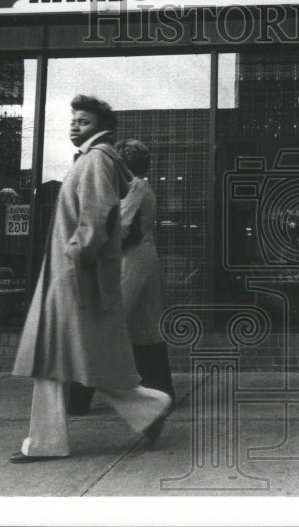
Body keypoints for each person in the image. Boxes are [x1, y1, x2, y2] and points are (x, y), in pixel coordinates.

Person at [10, 95, 170, 463]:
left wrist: (74, 254)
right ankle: (147, 409)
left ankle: (50, 441)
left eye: (83, 121)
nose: (74, 125)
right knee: (69, 356)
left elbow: (97, 217)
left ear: (102, 127)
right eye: (73, 120)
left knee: (58, 356)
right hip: (72, 275)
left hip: (73, 276)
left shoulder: (96, 160)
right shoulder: (92, 160)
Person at [68, 140, 177, 422]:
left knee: (104, 324)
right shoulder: (139, 187)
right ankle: (162, 392)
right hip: (141, 261)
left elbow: (121, 225)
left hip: (130, 262)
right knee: (144, 328)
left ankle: (78, 398)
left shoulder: (135, 188)